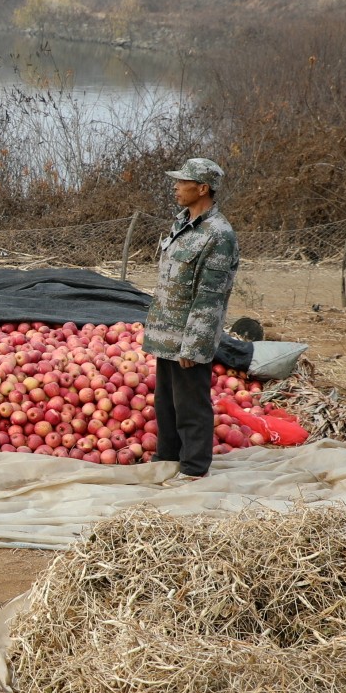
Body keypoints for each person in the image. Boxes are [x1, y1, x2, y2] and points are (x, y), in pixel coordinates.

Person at [144, 157, 239, 483]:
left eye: (182, 181)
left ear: (202, 188)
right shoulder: (183, 224)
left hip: (188, 337)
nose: (175, 186)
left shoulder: (218, 235)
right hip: (167, 333)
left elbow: (209, 297)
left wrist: (194, 346)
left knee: (191, 405)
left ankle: (194, 468)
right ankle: (167, 458)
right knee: (166, 403)